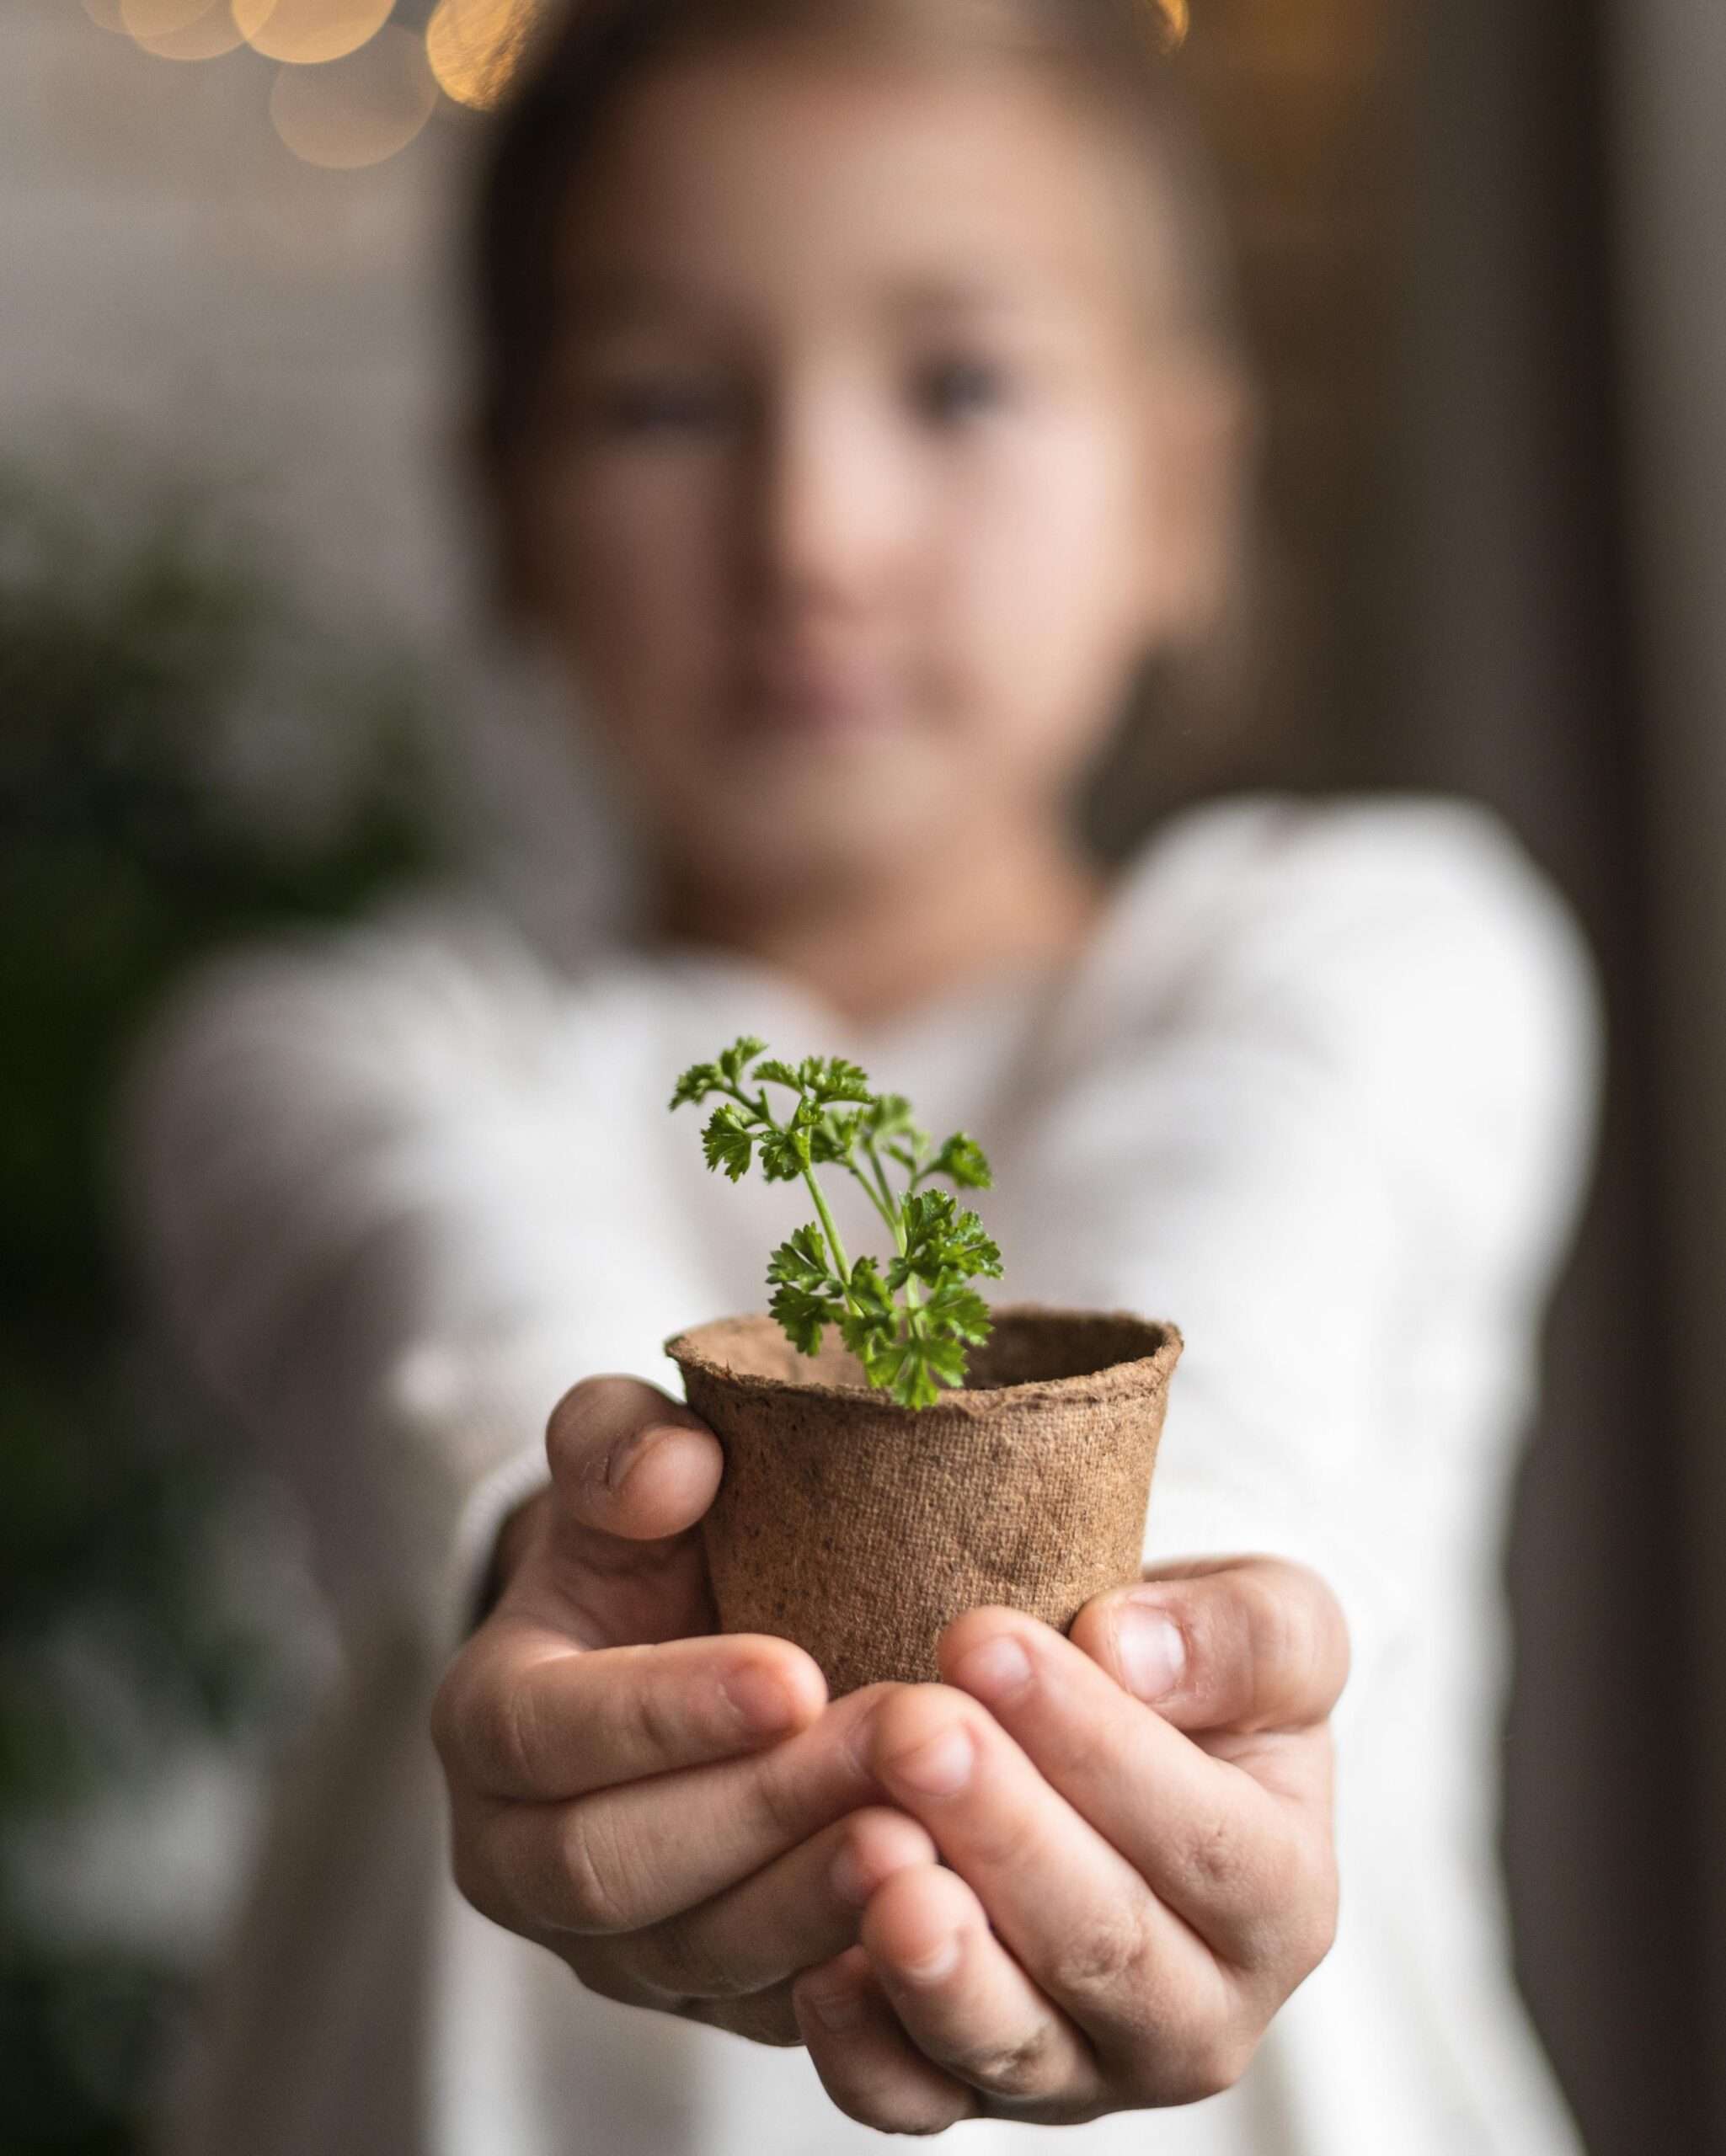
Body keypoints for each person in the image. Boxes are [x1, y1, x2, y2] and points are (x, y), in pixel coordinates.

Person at [120, 1, 1602, 2150]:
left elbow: (1252, 1286)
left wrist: (1160, 1642)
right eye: (661, 402)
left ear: (1180, 490)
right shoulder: (332, 1052)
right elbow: (441, 1288)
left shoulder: (1381, 948)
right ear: (506, 513)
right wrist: (570, 1542)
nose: (812, 530)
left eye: (958, 382)